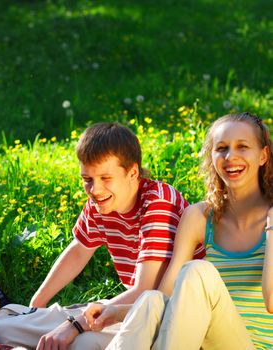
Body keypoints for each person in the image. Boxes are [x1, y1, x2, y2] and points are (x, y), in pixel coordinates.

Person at [0, 122, 204, 350]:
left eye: (105, 178)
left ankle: (68, 329)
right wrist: (37, 305)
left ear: (132, 172)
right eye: (88, 180)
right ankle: (63, 328)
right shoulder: (101, 203)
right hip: (126, 309)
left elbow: (147, 292)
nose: (95, 190)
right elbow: (78, 251)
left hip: (167, 316)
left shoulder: (157, 203)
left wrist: (75, 325)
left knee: (83, 343)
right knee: (4, 326)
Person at [85, 112, 273, 349]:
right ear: (212, 156)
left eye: (242, 147)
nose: (230, 156)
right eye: (221, 148)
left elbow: (272, 301)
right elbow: (166, 298)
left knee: (198, 270)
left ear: (263, 155)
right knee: (152, 300)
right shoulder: (199, 217)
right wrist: (115, 311)